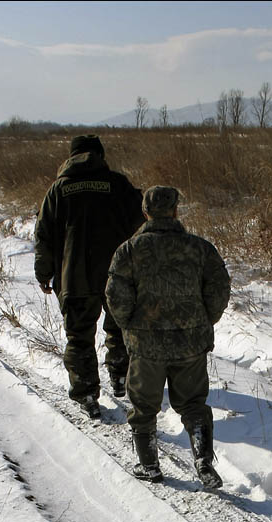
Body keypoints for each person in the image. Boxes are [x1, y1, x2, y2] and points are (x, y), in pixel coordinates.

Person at [105, 185, 231, 488]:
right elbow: (219, 288)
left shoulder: (129, 250)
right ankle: (203, 462)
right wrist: (202, 321)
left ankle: (149, 465)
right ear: (176, 210)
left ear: (146, 212)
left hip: (146, 346)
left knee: (144, 406)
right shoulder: (201, 248)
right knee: (193, 405)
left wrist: (130, 328)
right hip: (190, 343)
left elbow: (115, 296)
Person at [34, 135, 144, 419]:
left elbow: (44, 234)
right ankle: (121, 377)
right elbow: (141, 219)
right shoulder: (118, 184)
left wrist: (44, 272)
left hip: (75, 276)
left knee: (79, 336)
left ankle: (86, 395)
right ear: (100, 155)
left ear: (70, 157)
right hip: (117, 273)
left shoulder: (58, 190)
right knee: (120, 326)